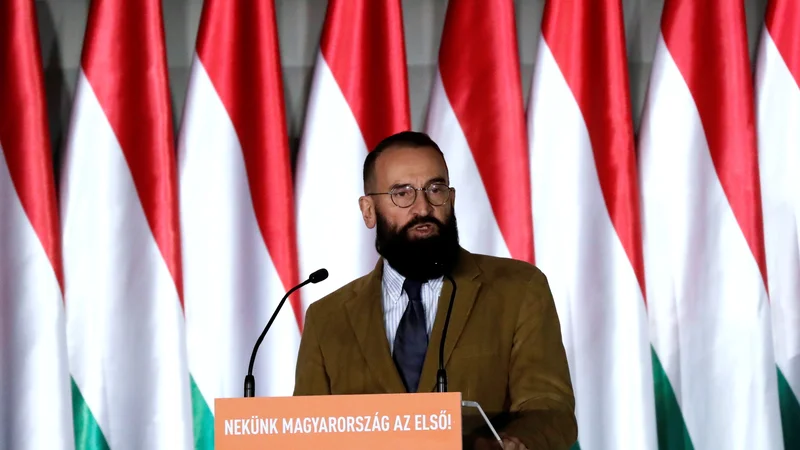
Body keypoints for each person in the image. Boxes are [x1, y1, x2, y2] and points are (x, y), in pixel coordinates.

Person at [293, 131, 577, 449]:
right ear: (368, 210)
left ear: (451, 199)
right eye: (402, 193)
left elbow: (550, 408)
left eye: (435, 189)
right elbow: (308, 431)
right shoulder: (327, 318)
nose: (423, 208)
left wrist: (517, 442)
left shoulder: (518, 289)